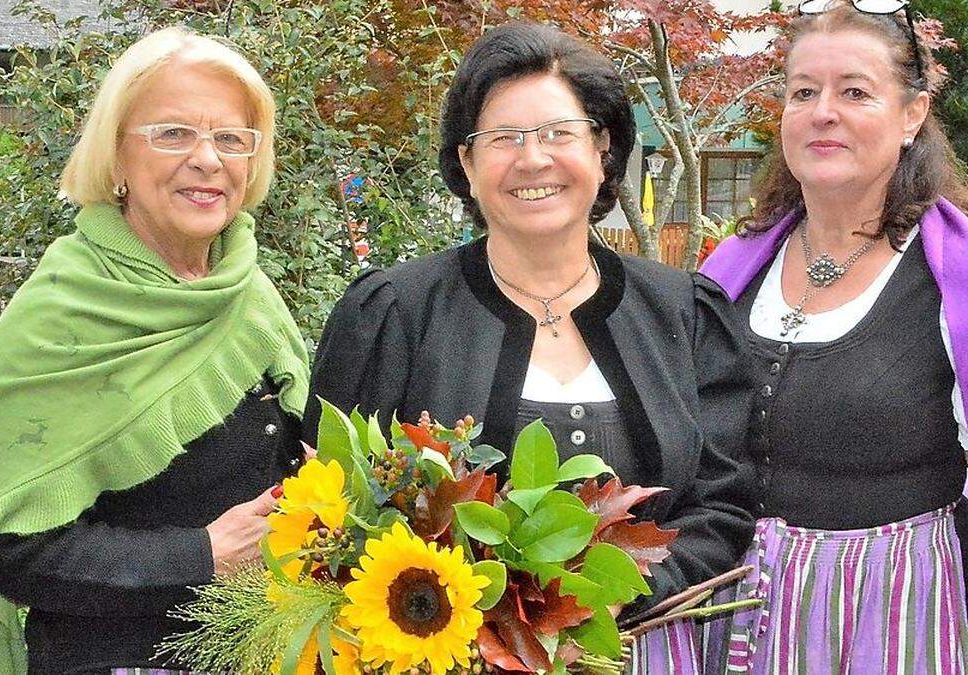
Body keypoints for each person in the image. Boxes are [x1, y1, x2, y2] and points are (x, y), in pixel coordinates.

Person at [305, 21, 751, 670]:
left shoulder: (683, 311)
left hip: (652, 648)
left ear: (603, 149)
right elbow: (333, 500)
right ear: (466, 162)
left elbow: (726, 494)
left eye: (557, 133)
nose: (533, 159)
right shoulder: (394, 313)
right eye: (503, 138)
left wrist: (621, 593)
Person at [694, 1, 968, 673]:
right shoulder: (732, 272)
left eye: (855, 91)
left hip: (897, 620)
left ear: (912, 115)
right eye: (804, 92)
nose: (823, 111)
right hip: (735, 623)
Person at [0, 27, 310, 674]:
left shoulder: (249, 291)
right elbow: (11, 552)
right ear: (116, 156)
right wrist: (203, 555)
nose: (208, 159)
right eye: (173, 133)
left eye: (231, 138)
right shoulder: (58, 316)